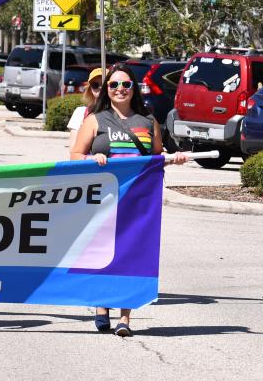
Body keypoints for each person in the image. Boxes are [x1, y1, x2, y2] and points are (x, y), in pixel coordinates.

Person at [70, 63, 187, 337]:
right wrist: (92, 158)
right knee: (102, 255)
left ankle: (125, 318)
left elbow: (157, 159)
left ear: (134, 89)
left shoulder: (148, 122)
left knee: (131, 256)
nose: (120, 89)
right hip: (103, 201)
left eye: (125, 85)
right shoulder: (95, 120)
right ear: (106, 91)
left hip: (138, 203)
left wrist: (175, 159)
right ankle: (101, 306)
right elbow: (75, 155)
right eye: (113, 85)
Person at [66, 68, 103, 147]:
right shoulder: (80, 112)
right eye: (95, 85)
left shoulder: (120, 112)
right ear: (90, 89)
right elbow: (73, 149)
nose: (100, 87)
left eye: (104, 84)